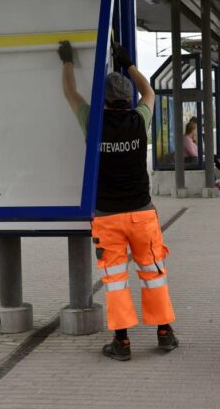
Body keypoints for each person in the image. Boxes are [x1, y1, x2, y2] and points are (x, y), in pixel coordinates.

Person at [58, 40, 178, 361]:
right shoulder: (140, 120)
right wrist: (129, 64)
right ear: (128, 101)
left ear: (105, 101)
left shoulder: (92, 123)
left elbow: (70, 93)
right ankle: (164, 332)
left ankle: (121, 343)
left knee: (115, 281)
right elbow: (150, 93)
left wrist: (68, 61)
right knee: (153, 273)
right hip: (142, 214)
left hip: (107, 217)